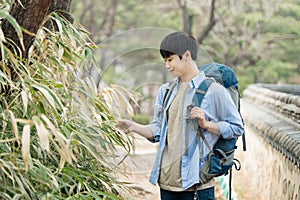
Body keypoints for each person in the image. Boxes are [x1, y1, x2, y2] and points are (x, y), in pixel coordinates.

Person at [118, 31, 244, 200]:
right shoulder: (165, 91)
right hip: (167, 182)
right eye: (165, 61)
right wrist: (134, 127)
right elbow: (158, 130)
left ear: (186, 55)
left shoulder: (214, 91)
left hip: (197, 184)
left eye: (170, 60)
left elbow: (236, 127)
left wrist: (207, 125)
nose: (167, 66)